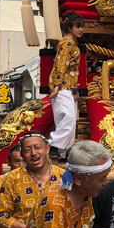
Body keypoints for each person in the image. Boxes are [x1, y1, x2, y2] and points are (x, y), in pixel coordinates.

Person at [48, 11, 84, 159]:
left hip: (68, 88)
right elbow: (60, 64)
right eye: (78, 26)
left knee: (66, 121)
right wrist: (57, 84)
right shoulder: (68, 43)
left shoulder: (69, 43)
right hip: (63, 87)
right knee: (68, 118)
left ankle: (63, 154)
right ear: (70, 28)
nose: (81, 29)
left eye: (82, 26)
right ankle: (54, 144)